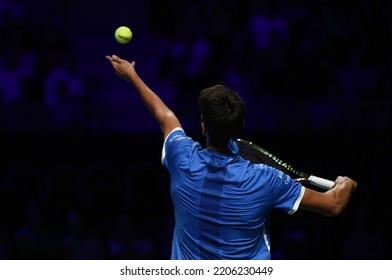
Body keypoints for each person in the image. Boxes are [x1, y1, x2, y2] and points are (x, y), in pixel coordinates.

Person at [105, 54, 358, 260]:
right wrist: (345, 185)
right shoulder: (267, 179)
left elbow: (165, 116)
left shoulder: (182, 158)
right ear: (242, 124)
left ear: (203, 125)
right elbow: (333, 205)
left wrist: (132, 76)